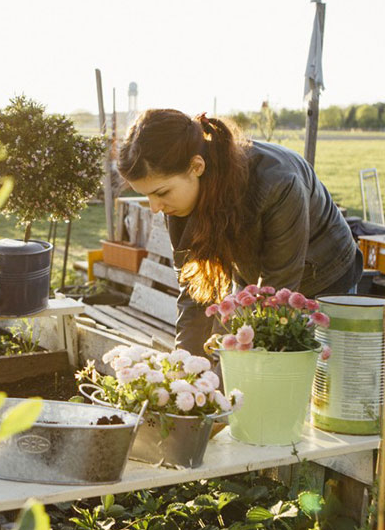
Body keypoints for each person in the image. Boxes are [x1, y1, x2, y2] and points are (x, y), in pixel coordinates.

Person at [117, 108, 362, 356]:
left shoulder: (278, 183)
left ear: (196, 166)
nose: (155, 207)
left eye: (161, 193)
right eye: (146, 196)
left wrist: (228, 380)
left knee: (318, 377)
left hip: (324, 273)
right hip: (254, 275)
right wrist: (186, 367)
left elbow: (275, 296)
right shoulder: (178, 204)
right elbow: (194, 293)